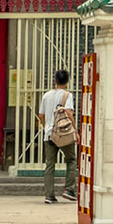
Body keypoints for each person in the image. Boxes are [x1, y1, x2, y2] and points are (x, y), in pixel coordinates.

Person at [37, 68, 76, 204]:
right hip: (64, 134)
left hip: (49, 134)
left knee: (50, 164)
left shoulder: (46, 95)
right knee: (71, 160)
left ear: (55, 80)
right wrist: (75, 129)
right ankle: (69, 189)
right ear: (67, 81)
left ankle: (49, 195)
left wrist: (46, 127)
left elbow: (41, 115)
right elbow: (69, 113)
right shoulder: (67, 95)